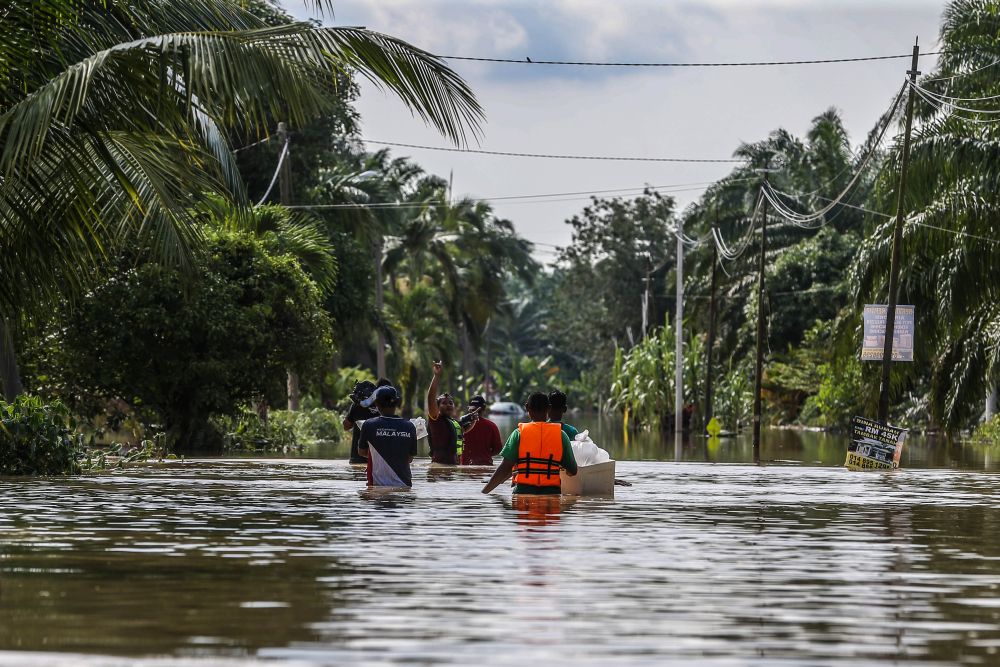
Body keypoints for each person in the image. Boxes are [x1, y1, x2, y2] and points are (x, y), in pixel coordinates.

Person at [482, 392, 577, 495]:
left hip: (522, 495)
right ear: (549, 408)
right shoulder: (561, 435)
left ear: (527, 407)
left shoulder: (518, 434)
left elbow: (504, 469)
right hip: (551, 497)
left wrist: (484, 492)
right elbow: (573, 470)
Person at [358, 386, 417, 488]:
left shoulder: (368, 425)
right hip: (404, 487)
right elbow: (410, 458)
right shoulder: (410, 426)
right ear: (397, 403)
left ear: (377, 404)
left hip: (377, 487)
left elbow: (361, 452)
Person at [425, 361, 478, 465]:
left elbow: (463, 430)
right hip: (440, 467)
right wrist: (436, 376)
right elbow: (431, 399)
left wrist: (474, 420)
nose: (448, 405)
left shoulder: (453, 422)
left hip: (454, 465)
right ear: (437, 407)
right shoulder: (436, 419)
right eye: (444, 403)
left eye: (450, 403)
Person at [344, 377, 392, 464]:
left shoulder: (357, 404)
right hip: (377, 462)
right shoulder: (386, 408)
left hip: (356, 459)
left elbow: (346, 426)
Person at [461, 395, 503, 465]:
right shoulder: (491, 426)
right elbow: (498, 449)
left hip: (465, 467)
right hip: (485, 466)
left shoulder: (459, 424)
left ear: (469, 409)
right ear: (484, 409)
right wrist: (484, 454)